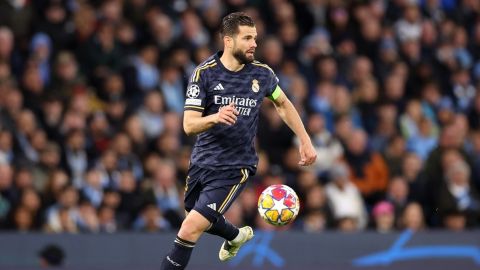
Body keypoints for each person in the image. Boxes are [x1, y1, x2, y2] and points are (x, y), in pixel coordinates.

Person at [160, 12, 317, 270]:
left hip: (235, 165)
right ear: (228, 41)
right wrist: (216, 117)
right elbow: (189, 125)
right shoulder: (204, 74)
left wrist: (305, 140)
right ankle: (236, 235)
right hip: (202, 161)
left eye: (255, 38)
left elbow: (282, 103)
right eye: (247, 38)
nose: (254, 43)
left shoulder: (263, 74)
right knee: (192, 215)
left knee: (188, 229)